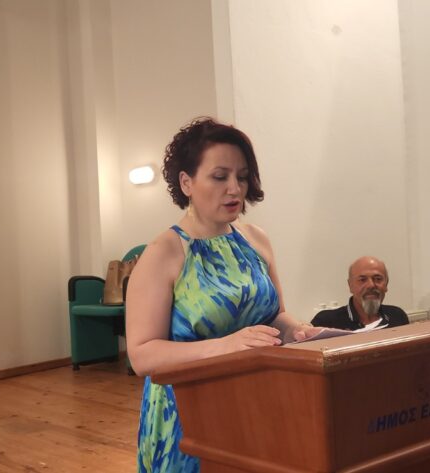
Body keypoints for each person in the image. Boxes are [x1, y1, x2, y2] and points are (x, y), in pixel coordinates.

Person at [125, 117, 322, 473]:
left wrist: (296, 329)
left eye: (241, 177)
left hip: (256, 402)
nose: (234, 188)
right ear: (186, 182)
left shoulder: (255, 239)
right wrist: (226, 345)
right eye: (220, 177)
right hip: (188, 415)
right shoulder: (163, 253)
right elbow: (142, 356)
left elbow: (274, 314)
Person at [310, 256, 409, 330]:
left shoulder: (397, 316)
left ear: (386, 284)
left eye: (378, 279)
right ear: (350, 286)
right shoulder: (326, 322)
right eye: (362, 280)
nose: (371, 285)